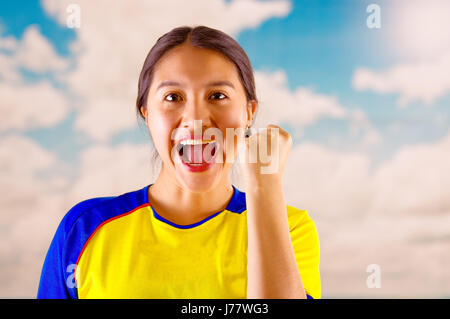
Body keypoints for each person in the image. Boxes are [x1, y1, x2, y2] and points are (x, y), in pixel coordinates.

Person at [37, 25, 321, 299]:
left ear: (249, 112)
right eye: (173, 97)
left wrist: (264, 184)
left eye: (217, 96)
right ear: (147, 113)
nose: (196, 119)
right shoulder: (84, 229)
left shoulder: (291, 229)